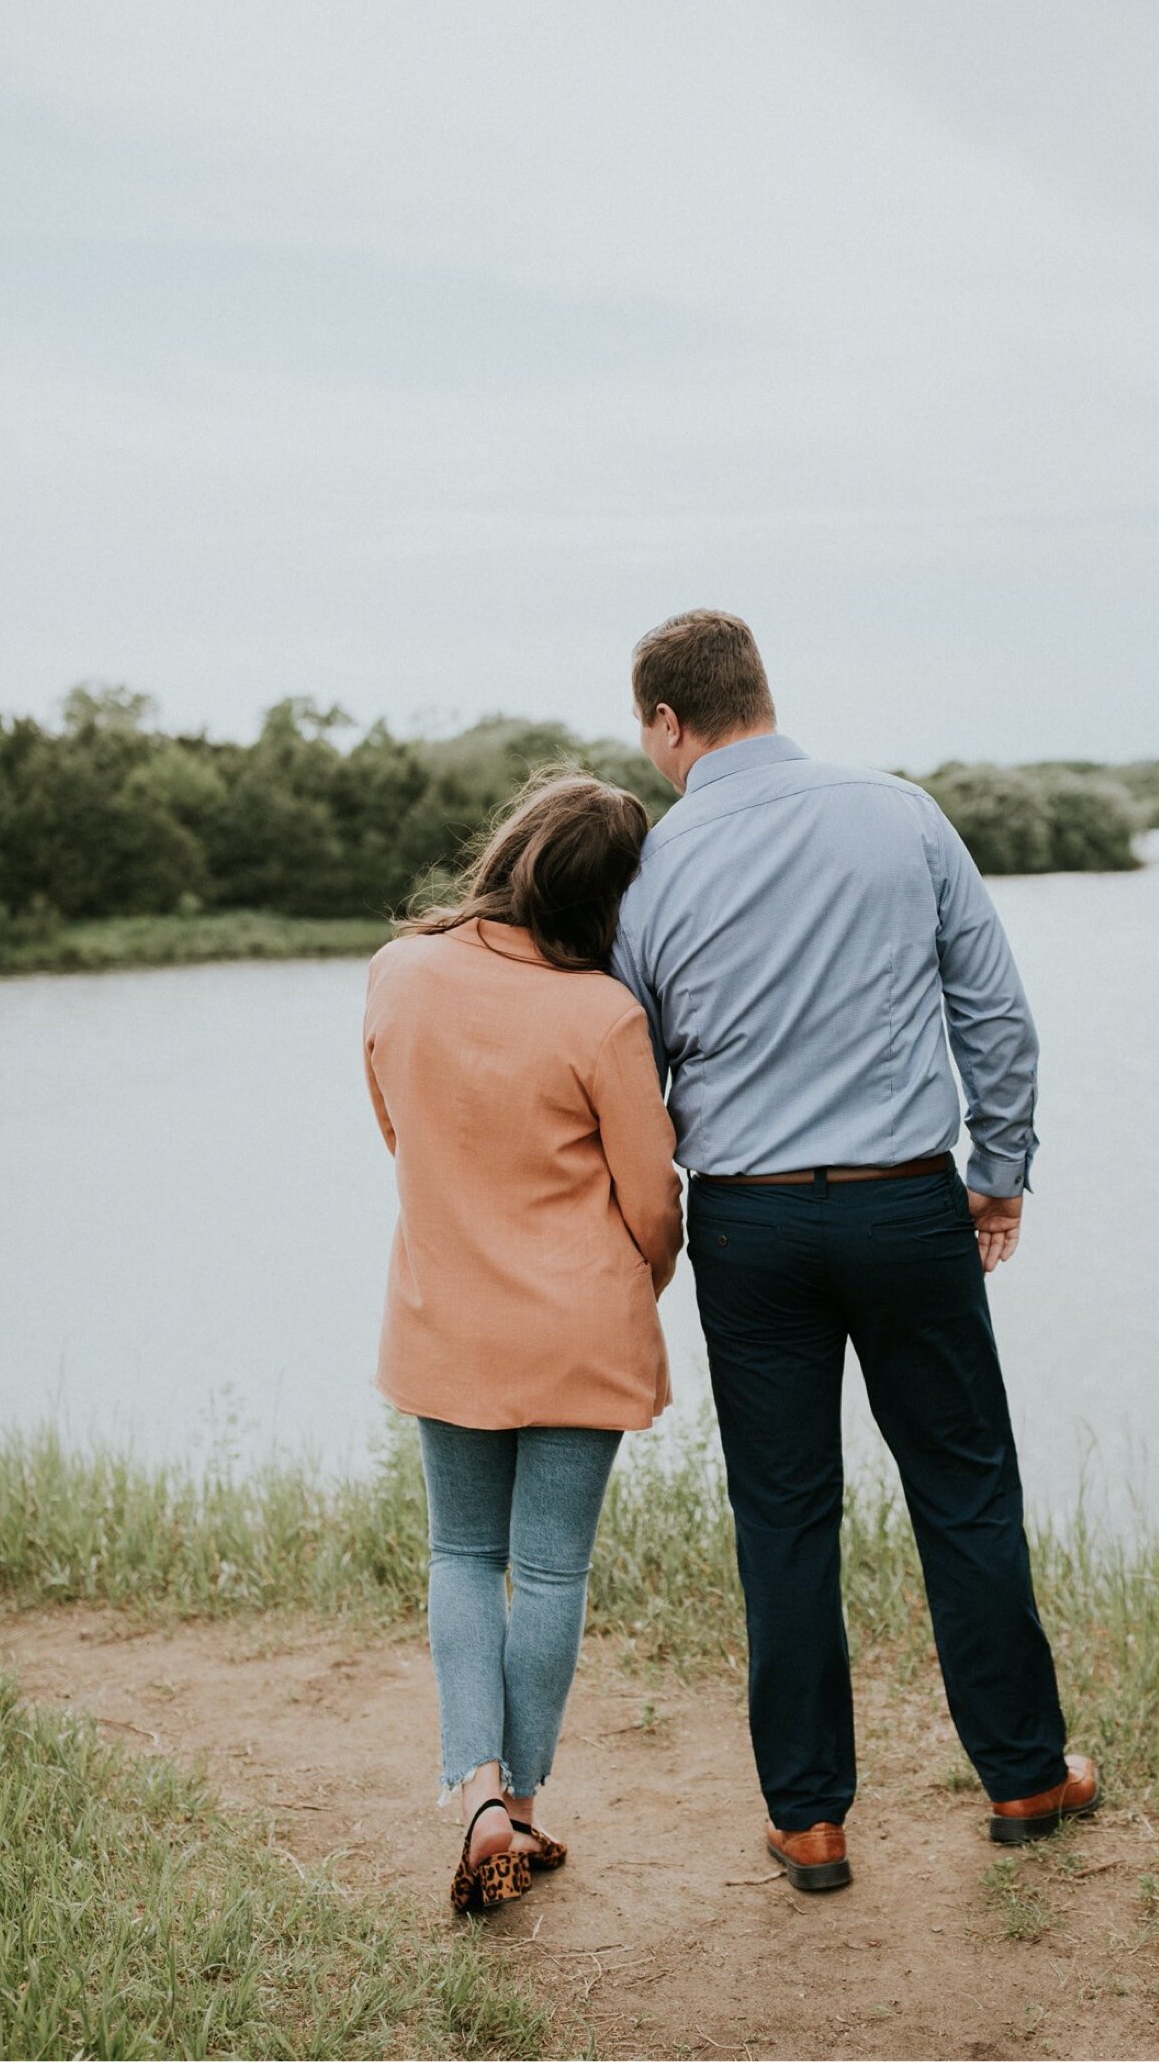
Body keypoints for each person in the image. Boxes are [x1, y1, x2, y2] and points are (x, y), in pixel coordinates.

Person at [612, 610, 1098, 1891]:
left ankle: (811, 1819)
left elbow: (628, 1066)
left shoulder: (653, 869)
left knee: (782, 1515)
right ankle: (1027, 1777)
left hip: (750, 1226)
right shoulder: (903, 815)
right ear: (760, 692)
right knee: (964, 1489)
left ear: (670, 723)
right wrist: (999, 1178)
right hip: (904, 1207)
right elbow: (995, 1016)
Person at [363, 773, 683, 1916]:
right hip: (578, 1329)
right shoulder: (603, 1014)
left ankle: (479, 1798)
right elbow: (653, 1205)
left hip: (446, 1311)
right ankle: (529, 1811)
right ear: (612, 898)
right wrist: (632, 1278)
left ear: (509, 849)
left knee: (461, 1557)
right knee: (547, 1571)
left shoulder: (398, 973)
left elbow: (397, 1131)